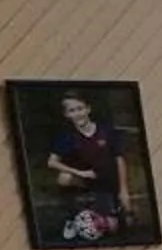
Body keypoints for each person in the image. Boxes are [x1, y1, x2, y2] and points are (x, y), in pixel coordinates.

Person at [40, 90, 133, 239]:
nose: (77, 114)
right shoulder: (67, 136)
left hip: (107, 182)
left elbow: (119, 159)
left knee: (116, 227)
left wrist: (124, 190)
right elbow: (52, 162)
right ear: (66, 114)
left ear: (88, 109)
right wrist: (80, 173)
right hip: (86, 179)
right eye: (72, 110)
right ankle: (72, 218)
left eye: (80, 109)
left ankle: (106, 212)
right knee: (64, 178)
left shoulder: (106, 131)